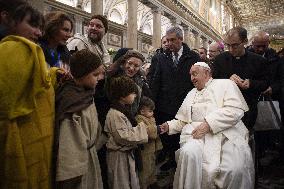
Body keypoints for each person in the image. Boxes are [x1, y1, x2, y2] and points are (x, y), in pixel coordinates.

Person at [160, 62, 254, 189]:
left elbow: (235, 110)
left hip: (226, 135)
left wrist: (209, 124)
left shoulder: (226, 84)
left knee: (234, 169)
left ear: (207, 73)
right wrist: (169, 126)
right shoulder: (191, 93)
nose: (192, 78)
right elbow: (184, 120)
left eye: (194, 74)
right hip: (197, 136)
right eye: (190, 75)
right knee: (189, 153)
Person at [0, 4, 56, 189]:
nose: (39, 33)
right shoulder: (16, 48)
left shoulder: (26, 49)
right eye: (32, 25)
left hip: (32, 136)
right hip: (19, 139)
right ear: (9, 20)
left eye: (41, 28)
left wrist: (54, 74)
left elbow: (36, 88)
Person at [149, 26, 200, 171]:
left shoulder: (193, 57)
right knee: (167, 136)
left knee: (182, 135)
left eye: (172, 40)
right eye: (168, 40)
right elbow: (154, 81)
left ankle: (182, 161)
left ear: (181, 39)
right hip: (164, 105)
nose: (169, 43)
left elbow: (196, 81)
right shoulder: (160, 57)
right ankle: (171, 159)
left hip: (185, 104)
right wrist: (153, 103)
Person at [55, 49, 105, 189]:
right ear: (82, 74)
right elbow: (69, 147)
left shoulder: (86, 93)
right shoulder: (72, 103)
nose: (100, 78)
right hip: (79, 169)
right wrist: (72, 176)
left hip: (89, 157)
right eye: (95, 74)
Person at [213, 27, 269, 133]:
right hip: (223, 110)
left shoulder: (259, 61)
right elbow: (212, 82)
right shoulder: (219, 60)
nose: (230, 49)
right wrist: (227, 80)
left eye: (234, 45)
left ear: (245, 41)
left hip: (248, 110)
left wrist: (251, 83)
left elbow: (265, 83)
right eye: (227, 45)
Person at [104, 76, 149, 189]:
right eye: (132, 93)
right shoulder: (115, 114)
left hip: (125, 155)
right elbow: (123, 137)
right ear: (123, 95)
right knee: (121, 183)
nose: (135, 95)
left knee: (128, 181)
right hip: (118, 157)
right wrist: (143, 129)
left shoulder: (122, 110)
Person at [136, 96, 162, 189]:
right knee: (145, 169)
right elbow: (146, 131)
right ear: (142, 111)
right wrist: (157, 129)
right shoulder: (139, 119)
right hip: (145, 150)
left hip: (152, 149)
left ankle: (152, 182)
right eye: (150, 111)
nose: (153, 113)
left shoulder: (150, 118)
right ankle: (144, 185)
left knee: (152, 166)